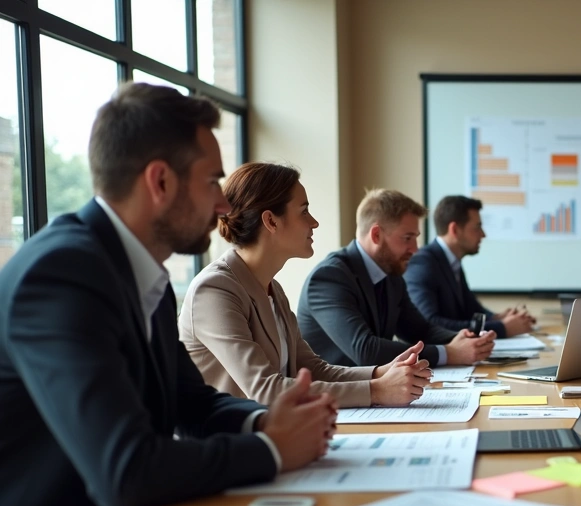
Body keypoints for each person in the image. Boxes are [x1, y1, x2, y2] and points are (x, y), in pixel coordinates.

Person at [0, 83, 336, 506]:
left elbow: (189, 400)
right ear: (160, 182)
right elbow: (127, 469)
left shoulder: (139, 270)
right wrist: (270, 449)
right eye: (211, 181)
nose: (224, 205)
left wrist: (264, 422)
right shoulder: (62, 274)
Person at [179, 162, 432, 408]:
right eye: (304, 211)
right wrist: (377, 390)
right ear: (271, 221)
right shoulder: (215, 289)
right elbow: (265, 389)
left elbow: (312, 369)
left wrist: (380, 373)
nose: (314, 222)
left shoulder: (273, 289)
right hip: (231, 444)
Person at [297, 189, 496, 367]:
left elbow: (420, 330)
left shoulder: (390, 273)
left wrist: (464, 340)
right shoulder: (329, 278)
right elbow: (365, 350)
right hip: (332, 401)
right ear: (376, 235)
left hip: (373, 395)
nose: (415, 249)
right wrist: (449, 353)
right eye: (407, 238)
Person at [405, 195, 535, 337]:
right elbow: (429, 323)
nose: (483, 234)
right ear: (454, 229)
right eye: (477, 227)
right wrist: (502, 327)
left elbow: (471, 310)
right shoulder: (424, 264)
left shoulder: (451, 261)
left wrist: (498, 318)